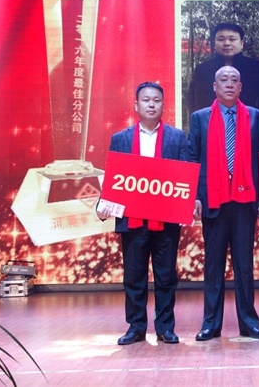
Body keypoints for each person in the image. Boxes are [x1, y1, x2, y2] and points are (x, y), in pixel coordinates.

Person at [96, 82, 190, 346]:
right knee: (134, 277)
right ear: (136, 105)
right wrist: (103, 205)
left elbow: (184, 176)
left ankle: (165, 328)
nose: (151, 104)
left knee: (166, 277)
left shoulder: (176, 138)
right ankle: (136, 327)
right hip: (132, 220)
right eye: (146, 100)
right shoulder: (121, 138)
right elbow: (114, 178)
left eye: (156, 100)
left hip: (166, 220)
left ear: (163, 105)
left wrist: (188, 204)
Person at [188, 66, 259, 341]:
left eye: (235, 80)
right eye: (223, 80)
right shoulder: (199, 118)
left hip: (245, 200)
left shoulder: (255, 116)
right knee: (213, 265)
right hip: (213, 199)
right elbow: (192, 158)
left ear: (241, 87)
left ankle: (249, 323)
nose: (229, 84)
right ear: (215, 86)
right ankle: (211, 324)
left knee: (244, 265)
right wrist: (194, 195)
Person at [187, 22, 259, 118]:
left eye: (232, 39)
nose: (227, 43)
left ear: (241, 43)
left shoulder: (254, 67)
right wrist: (202, 120)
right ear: (214, 43)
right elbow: (192, 99)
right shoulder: (203, 69)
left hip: (246, 122)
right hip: (210, 122)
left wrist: (256, 120)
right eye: (221, 39)